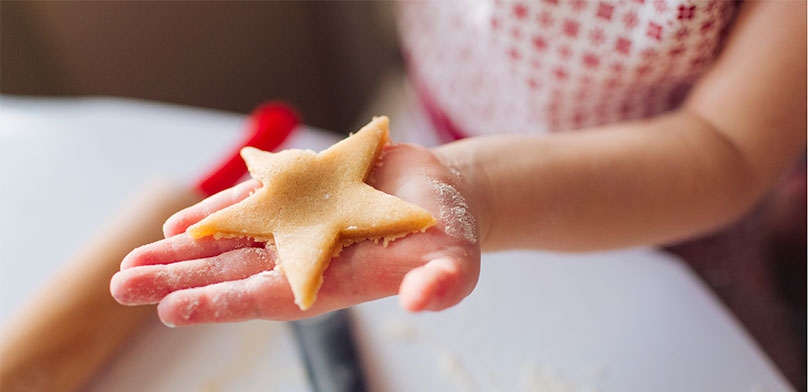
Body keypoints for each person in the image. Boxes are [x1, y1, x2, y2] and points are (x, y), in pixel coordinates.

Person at [110, 0, 805, 328]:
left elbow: (725, 147)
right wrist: (449, 174)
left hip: (660, 219)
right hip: (426, 147)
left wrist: (476, 187)